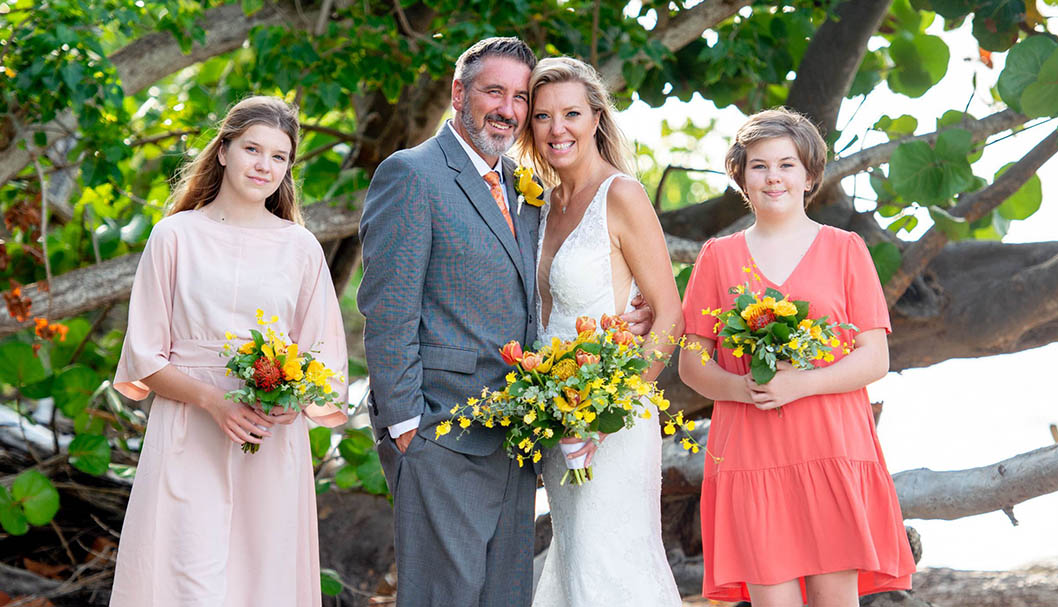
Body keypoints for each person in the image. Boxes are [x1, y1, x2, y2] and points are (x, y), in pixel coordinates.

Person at [358, 39, 652, 607]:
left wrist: (628, 316)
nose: (509, 109)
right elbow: (387, 309)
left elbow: (550, 286)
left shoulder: (526, 187)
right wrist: (405, 428)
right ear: (458, 93)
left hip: (517, 436)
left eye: (521, 97)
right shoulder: (412, 174)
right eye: (495, 91)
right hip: (441, 431)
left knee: (506, 597)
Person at [110, 95, 348, 607]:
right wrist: (213, 401)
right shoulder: (174, 236)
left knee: (262, 580)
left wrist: (290, 397)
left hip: (268, 437)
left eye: (278, 157)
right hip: (186, 433)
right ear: (223, 151)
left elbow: (323, 358)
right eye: (252, 149)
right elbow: (144, 356)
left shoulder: (301, 247)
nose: (264, 165)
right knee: (181, 576)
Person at [678, 107, 915, 607]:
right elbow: (691, 362)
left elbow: (874, 357)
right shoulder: (717, 257)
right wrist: (744, 387)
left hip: (832, 446)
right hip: (751, 453)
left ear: (809, 175)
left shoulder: (847, 249)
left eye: (786, 164)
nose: (773, 177)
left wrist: (800, 383)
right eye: (759, 165)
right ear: (741, 175)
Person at [515, 56, 685, 606]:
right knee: (576, 560)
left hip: (609, 420)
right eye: (542, 117)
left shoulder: (622, 195)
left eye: (570, 114)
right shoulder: (537, 203)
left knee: (612, 564)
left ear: (595, 119)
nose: (556, 128)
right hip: (555, 414)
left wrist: (611, 410)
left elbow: (669, 313)